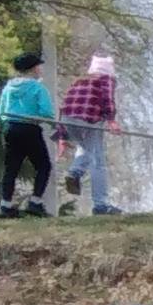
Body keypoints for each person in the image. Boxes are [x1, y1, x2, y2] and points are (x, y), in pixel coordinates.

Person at [54, 52, 116, 214]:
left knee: (88, 152)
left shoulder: (78, 81)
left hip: (68, 120)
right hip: (90, 121)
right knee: (96, 160)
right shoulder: (106, 79)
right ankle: (99, 203)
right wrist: (112, 120)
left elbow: (63, 106)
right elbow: (108, 99)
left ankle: (77, 175)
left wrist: (61, 136)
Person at [0, 52, 53, 215]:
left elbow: (1, 112)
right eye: (38, 66)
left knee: (11, 168)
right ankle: (35, 202)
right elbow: (47, 112)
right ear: (33, 69)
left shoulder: (8, 88)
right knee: (43, 166)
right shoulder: (37, 87)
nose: (40, 69)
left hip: (11, 128)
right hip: (30, 129)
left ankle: (5, 205)